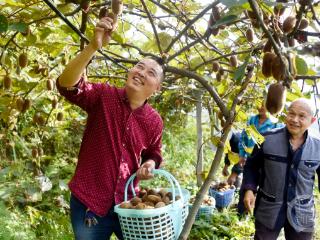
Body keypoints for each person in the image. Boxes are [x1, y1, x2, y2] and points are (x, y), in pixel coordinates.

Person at [56, 15, 164, 240]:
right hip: (90, 203)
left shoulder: (154, 121)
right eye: (139, 67)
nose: (141, 72)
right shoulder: (104, 96)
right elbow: (67, 85)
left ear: (157, 88)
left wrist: (150, 164)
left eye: (151, 73)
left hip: (129, 205)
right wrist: (93, 47)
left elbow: (153, 152)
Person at [242, 98, 320, 240]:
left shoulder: (318, 148)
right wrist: (249, 189)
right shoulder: (265, 139)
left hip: (302, 213)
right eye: (291, 114)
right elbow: (251, 166)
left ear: (312, 120)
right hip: (268, 209)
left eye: (302, 116)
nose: (294, 119)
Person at [233, 103, 283, 214]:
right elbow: (244, 138)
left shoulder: (276, 124)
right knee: (246, 187)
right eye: (259, 104)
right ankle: (241, 213)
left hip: (267, 164)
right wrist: (242, 154)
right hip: (251, 161)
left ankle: (256, 215)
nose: (260, 107)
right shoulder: (252, 120)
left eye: (264, 105)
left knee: (263, 189)